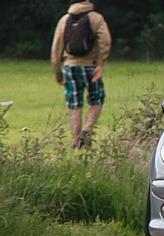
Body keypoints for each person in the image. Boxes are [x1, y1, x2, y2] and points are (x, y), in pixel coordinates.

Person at [50, 0, 111, 149]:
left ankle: (76, 142)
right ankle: (87, 130)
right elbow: (105, 41)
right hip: (91, 67)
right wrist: (101, 64)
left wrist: (58, 72)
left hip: (70, 67)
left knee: (75, 105)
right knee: (96, 101)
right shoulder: (96, 18)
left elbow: (56, 48)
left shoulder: (64, 20)